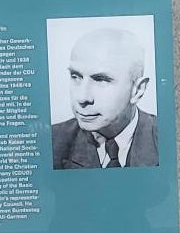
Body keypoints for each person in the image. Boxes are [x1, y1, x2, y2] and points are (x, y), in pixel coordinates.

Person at [50, 24, 159, 168]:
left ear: (137, 90)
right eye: (76, 76)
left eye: (101, 80)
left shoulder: (167, 138)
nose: (82, 98)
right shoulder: (51, 143)